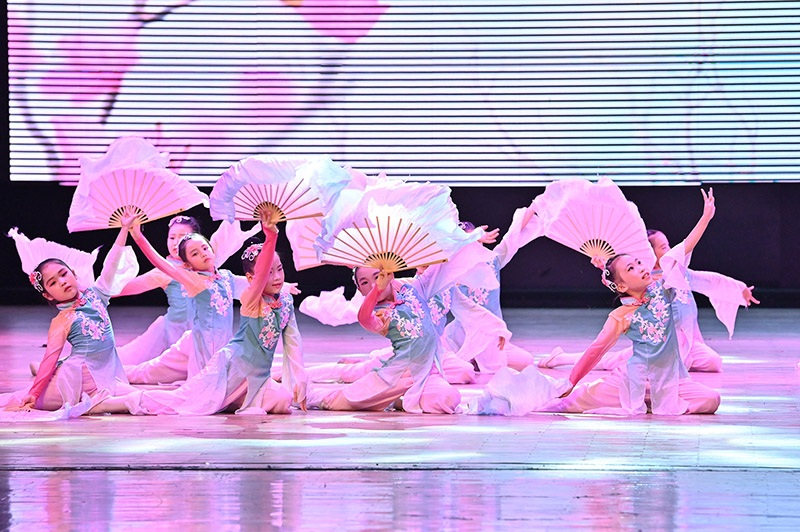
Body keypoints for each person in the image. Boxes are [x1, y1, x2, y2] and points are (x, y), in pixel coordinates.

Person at [551, 189, 723, 415]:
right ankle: (641, 400)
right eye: (631, 268)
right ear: (622, 285)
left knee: (711, 399)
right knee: (564, 404)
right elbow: (595, 351)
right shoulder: (621, 316)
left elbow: (683, 248)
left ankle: (654, 403)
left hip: (670, 379)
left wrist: (705, 218)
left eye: (639, 263)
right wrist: (571, 381)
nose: (641, 268)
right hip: (631, 379)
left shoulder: (663, 288)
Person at [126, 212, 308, 415]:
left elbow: (254, 282)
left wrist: (284, 286)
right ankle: (121, 388)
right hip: (200, 347)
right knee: (152, 375)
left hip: (223, 349)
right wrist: (137, 236)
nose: (203, 254)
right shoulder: (195, 280)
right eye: (195, 254)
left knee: (200, 390)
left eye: (205, 248)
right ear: (187, 264)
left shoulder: (226, 278)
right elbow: (162, 264)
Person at [306, 240, 498, 414]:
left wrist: (467, 238)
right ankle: (305, 390)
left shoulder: (414, 289)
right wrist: (377, 288)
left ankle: (400, 401)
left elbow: (442, 266)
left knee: (448, 397)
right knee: (344, 398)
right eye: (365, 283)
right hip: (396, 373)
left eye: (377, 277)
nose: (373, 284)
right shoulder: (380, 312)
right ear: (360, 289)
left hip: (429, 368)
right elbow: (364, 318)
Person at [538, 229, 759, 373]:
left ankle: (677, 360)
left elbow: (709, 280)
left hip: (688, 342)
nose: (668, 249)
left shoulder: (679, 273)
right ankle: (561, 358)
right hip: (658, 344)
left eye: (668, 245)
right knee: (614, 361)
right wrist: (604, 266)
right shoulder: (647, 281)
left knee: (713, 362)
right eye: (663, 247)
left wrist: (739, 290)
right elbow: (621, 284)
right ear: (650, 254)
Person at [1, 211, 142, 417]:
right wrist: (34, 393)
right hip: (78, 377)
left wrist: (124, 229)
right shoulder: (62, 320)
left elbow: (111, 263)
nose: (62, 282)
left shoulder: (97, 294)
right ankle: (102, 403)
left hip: (105, 372)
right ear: (48, 295)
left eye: (64, 274)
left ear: (74, 274)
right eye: (53, 283)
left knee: (141, 397)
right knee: (22, 401)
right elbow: (50, 357)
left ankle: (104, 402)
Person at [115, 215, 259, 366]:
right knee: (134, 368)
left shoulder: (206, 261)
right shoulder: (166, 271)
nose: (176, 242)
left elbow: (224, 237)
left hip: (206, 335)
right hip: (174, 332)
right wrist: (102, 290)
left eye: (182, 236)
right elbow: (127, 288)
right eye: (172, 237)